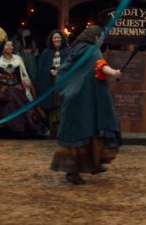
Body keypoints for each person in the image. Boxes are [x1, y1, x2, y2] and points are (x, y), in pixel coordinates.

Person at [50, 26, 122, 185]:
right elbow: (100, 65)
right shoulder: (92, 51)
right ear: (95, 37)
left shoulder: (75, 50)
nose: (101, 40)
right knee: (87, 131)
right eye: (100, 37)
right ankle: (75, 171)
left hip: (74, 99)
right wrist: (114, 73)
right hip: (84, 101)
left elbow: (63, 70)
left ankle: (91, 165)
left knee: (81, 133)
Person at [0, 39, 48, 137]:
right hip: (2, 87)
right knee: (11, 95)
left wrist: (26, 81)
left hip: (16, 85)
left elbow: (23, 73)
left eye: (11, 46)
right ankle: (13, 129)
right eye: (7, 45)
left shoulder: (18, 59)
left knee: (15, 94)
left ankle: (27, 128)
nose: (10, 47)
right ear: (3, 48)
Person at [35, 30, 70, 137]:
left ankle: (63, 129)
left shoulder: (68, 51)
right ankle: (53, 130)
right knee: (52, 104)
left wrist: (59, 72)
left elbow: (72, 66)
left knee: (61, 103)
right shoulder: (46, 53)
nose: (56, 39)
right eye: (54, 38)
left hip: (63, 82)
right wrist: (49, 72)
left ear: (62, 39)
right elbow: (41, 69)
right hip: (50, 82)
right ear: (51, 40)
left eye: (58, 37)